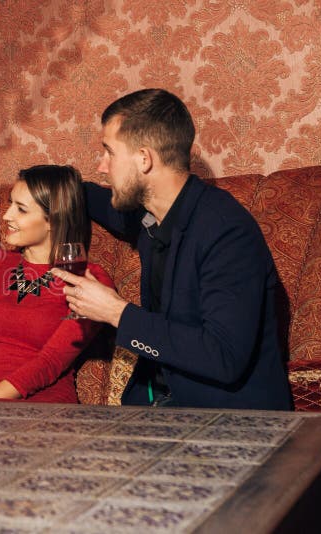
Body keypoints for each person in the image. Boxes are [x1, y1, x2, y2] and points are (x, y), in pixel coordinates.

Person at [56, 88, 292, 410]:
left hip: (226, 421)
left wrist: (116, 312)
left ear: (144, 158)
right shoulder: (149, 213)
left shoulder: (227, 231)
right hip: (152, 408)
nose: (101, 166)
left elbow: (223, 357)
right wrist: (50, 186)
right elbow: (94, 198)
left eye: (109, 152)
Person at [0, 165, 114, 402]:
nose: (6, 216)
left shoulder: (88, 278)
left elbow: (50, 363)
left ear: (53, 219)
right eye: (10, 203)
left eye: (20, 209)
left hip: (40, 408)